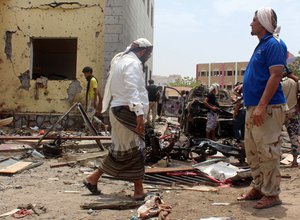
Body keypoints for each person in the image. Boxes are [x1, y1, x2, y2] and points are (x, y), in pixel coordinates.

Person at [83, 38, 153, 200]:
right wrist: (140, 114)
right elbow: (131, 89)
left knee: (121, 149)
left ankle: (93, 179)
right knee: (137, 150)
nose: (147, 57)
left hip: (119, 109)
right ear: (142, 51)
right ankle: (138, 190)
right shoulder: (132, 64)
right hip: (127, 111)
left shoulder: (121, 61)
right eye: (147, 54)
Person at [237, 7, 288, 209]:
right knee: (253, 152)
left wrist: (261, 106)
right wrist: (245, 85)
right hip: (254, 107)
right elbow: (262, 75)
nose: (251, 23)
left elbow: (276, 75)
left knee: (267, 151)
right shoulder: (262, 46)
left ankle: (272, 194)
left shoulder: (274, 44)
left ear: (265, 22)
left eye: (254, 20)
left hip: (267, 108)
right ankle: (258, 187)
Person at [82, 66, 108, 133]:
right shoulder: (90, 80)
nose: (84, 75)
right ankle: (104, 126)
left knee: (88, 116)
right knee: (91, 116)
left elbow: (95, 91)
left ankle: (87, 130)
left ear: (89, 73)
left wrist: (95, 101)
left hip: (92, 100)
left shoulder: (93, 80)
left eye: (85, 73)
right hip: (90, 100)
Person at [281, 74, 300, 167]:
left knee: (275, 138)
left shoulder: (277, 82)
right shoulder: (295, 83)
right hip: (292, 112)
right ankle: (295, 161)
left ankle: (274, 160)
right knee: (294, 138)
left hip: (279, 112)